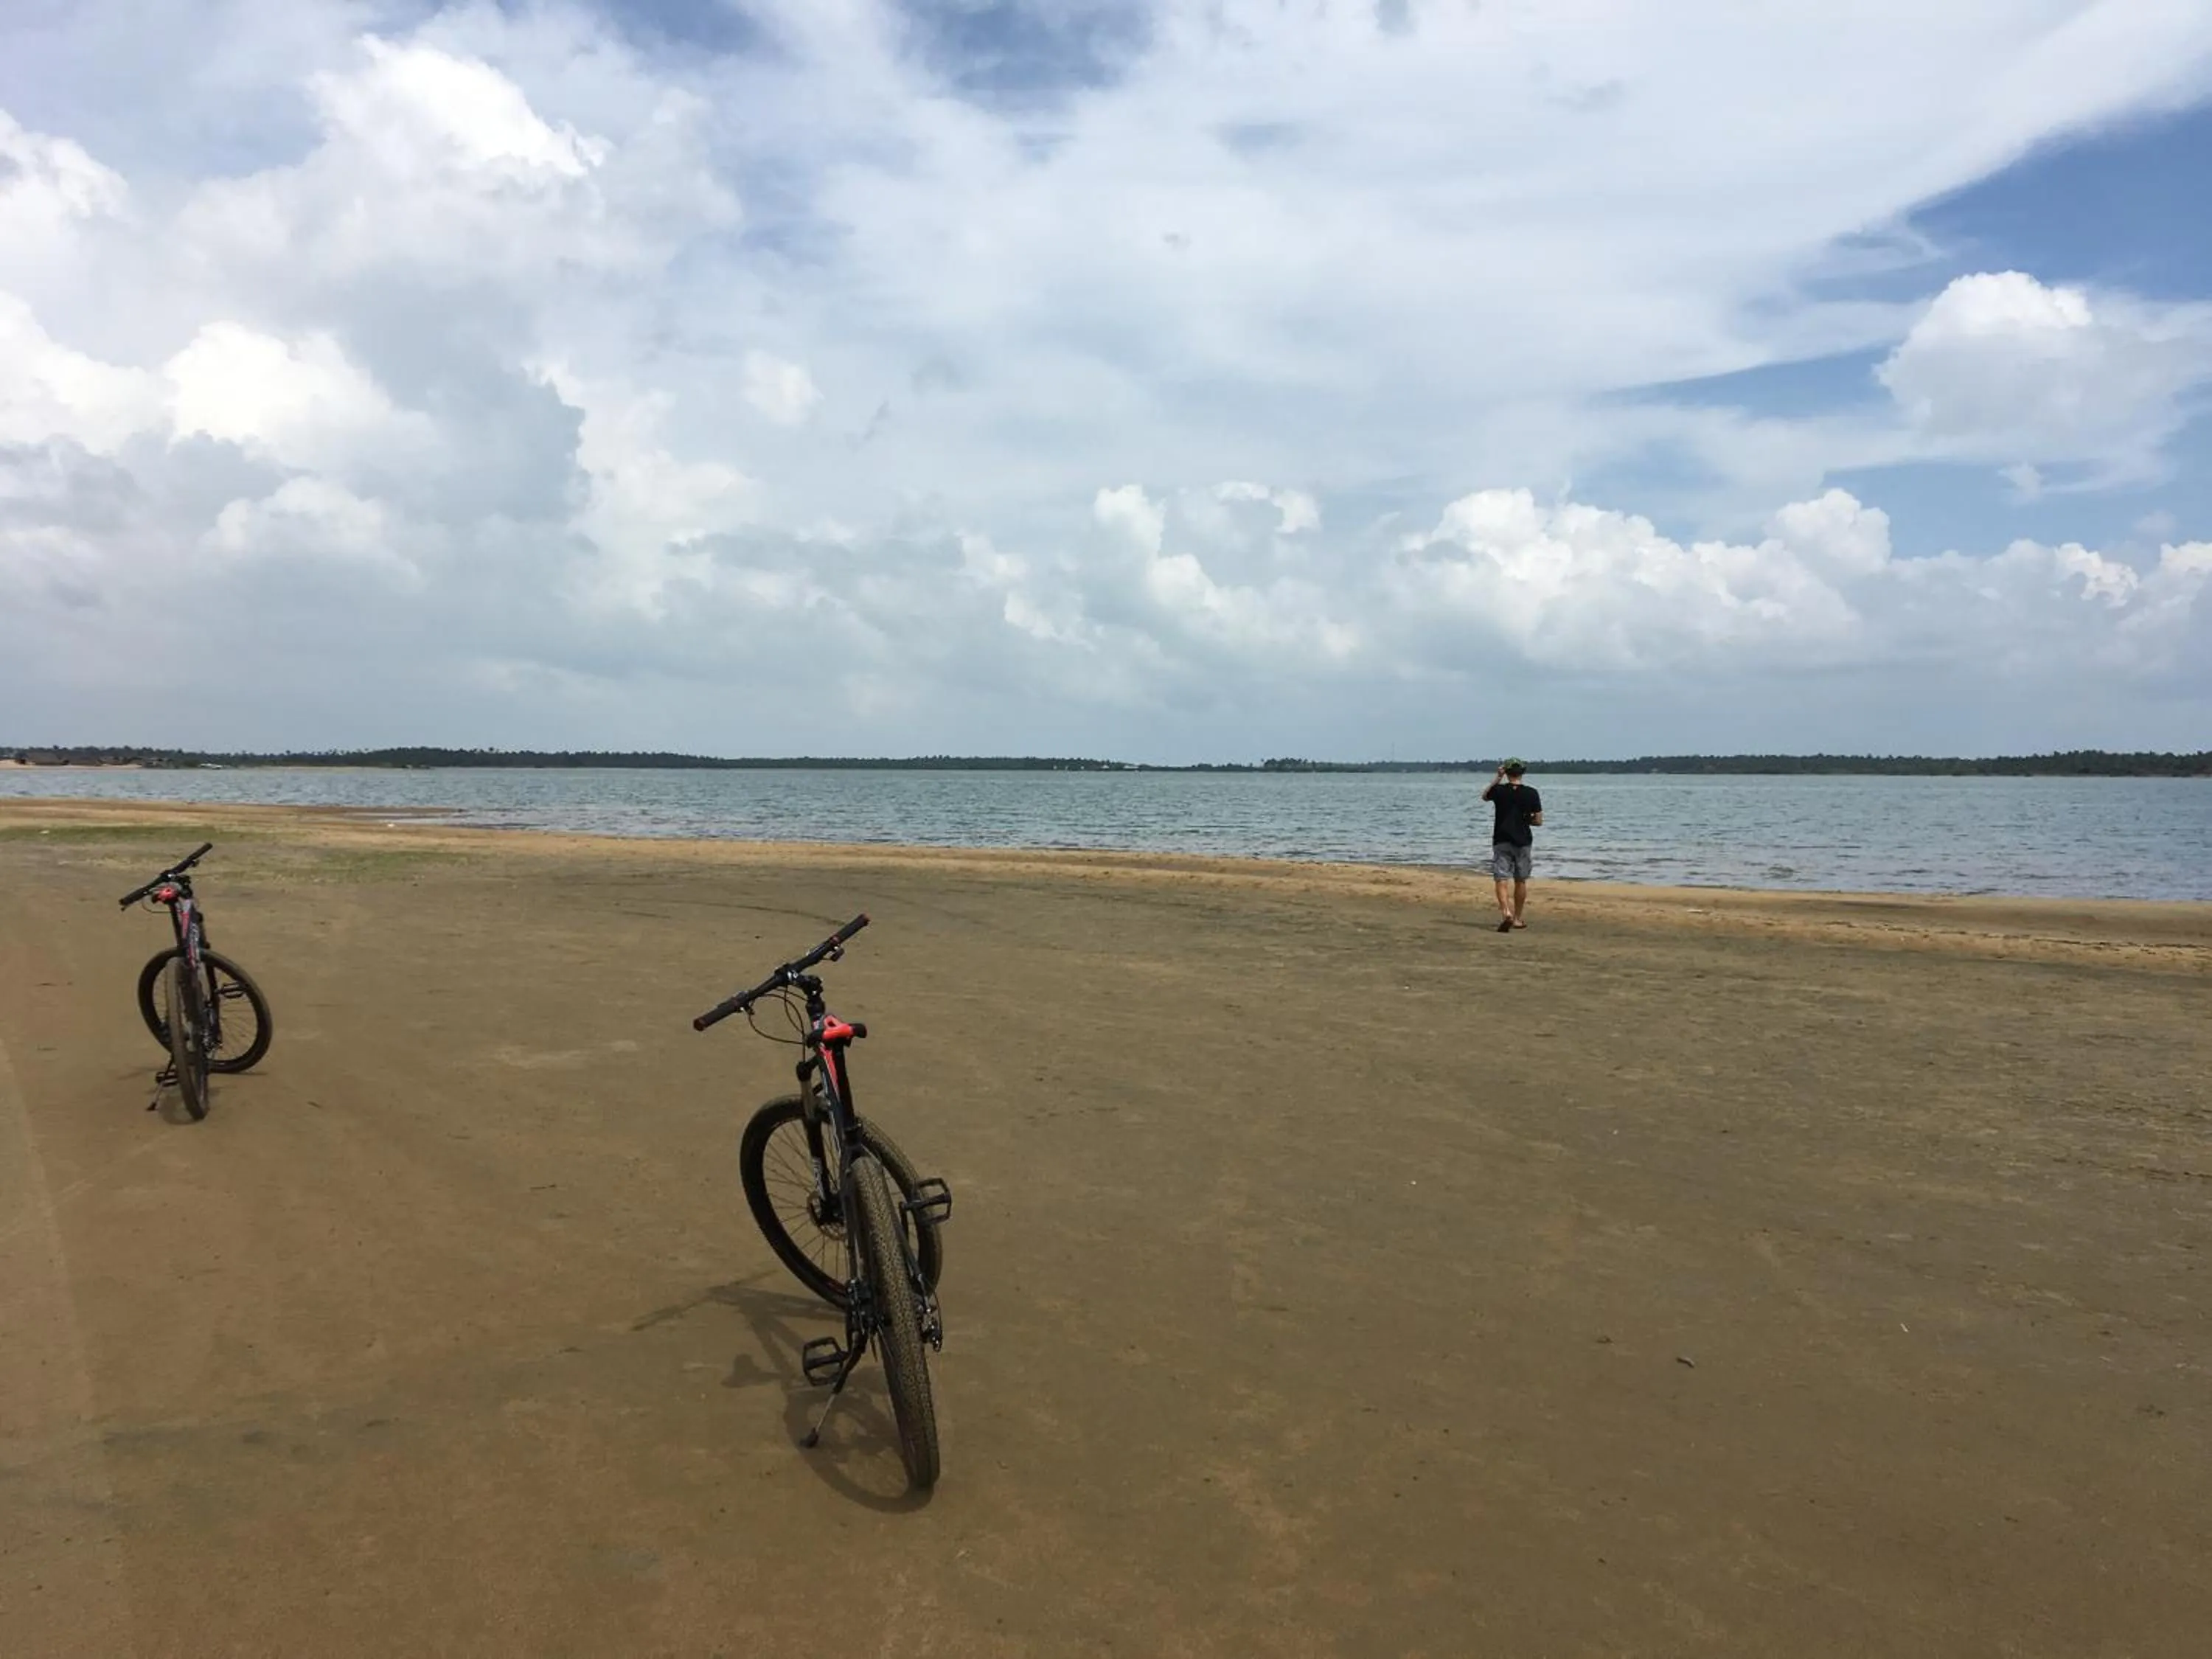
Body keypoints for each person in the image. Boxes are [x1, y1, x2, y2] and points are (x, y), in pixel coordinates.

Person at [1479, 759, 1543, 932]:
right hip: (1523, 840)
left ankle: (1506, 912)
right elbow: (1538, 821)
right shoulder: (1531, 793)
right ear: (1522, 773)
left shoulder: (1499, 791)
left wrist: (1497, 778)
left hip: (1501, 838)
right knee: (1521, 880)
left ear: (1506, 772)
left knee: (1501, 878)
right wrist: (1526, 820)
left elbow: (1485, 796)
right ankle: (1517, 918)